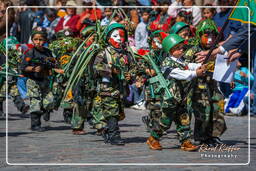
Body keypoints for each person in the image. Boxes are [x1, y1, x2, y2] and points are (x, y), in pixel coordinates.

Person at [146, 34, 202, 151]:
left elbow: (189, 66)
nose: (182, 50)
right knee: (165, 121)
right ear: (170, 50)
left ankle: (185, 141)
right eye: (178, 48)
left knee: (184, 119)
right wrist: (195, 73)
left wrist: (201, 65)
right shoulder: (167, 64)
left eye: (182, 47)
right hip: (171, 98)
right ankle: (154, 138)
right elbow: (181, 74)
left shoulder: (181, 61)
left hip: (182, 97)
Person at [183, 19, 227, 146]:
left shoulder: (217, 50)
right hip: (198, 87)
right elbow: (183, 65)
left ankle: (214, 135)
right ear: (199, 36)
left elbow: (225, 63)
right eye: (206, 36)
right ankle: (202, 137)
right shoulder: (193, 50)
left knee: (218, 107)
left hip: (213, 84)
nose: (210, 40)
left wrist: (229, 78)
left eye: (213, 36)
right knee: (204, 111)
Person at [91, 23, 136, 145]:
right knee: (112, 112)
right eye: (115, 36)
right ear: (108, 38)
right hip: (108, 88)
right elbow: (96, 67)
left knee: (118, 112)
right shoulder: (104, 53)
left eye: (121, 36)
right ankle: (114, 135)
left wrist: (130, 75)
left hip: (121, 89)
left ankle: (106, 130)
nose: (118, 39)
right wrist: (110, 70)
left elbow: (133, 68)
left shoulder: (127, 54)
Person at [19, 27, 63, 131]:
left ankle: (45, 111)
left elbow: (53, 64)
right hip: (33, 81)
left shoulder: (48, 52)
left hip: (45, 80)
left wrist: (56, 68)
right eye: (36, 39)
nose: (38, 42)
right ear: (32, 40)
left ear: (45, 40)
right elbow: (23, 67)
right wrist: (33, 68)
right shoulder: (30, 53)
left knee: (50, 101)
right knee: (35, 102)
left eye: (41, 39)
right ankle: (35, 125)